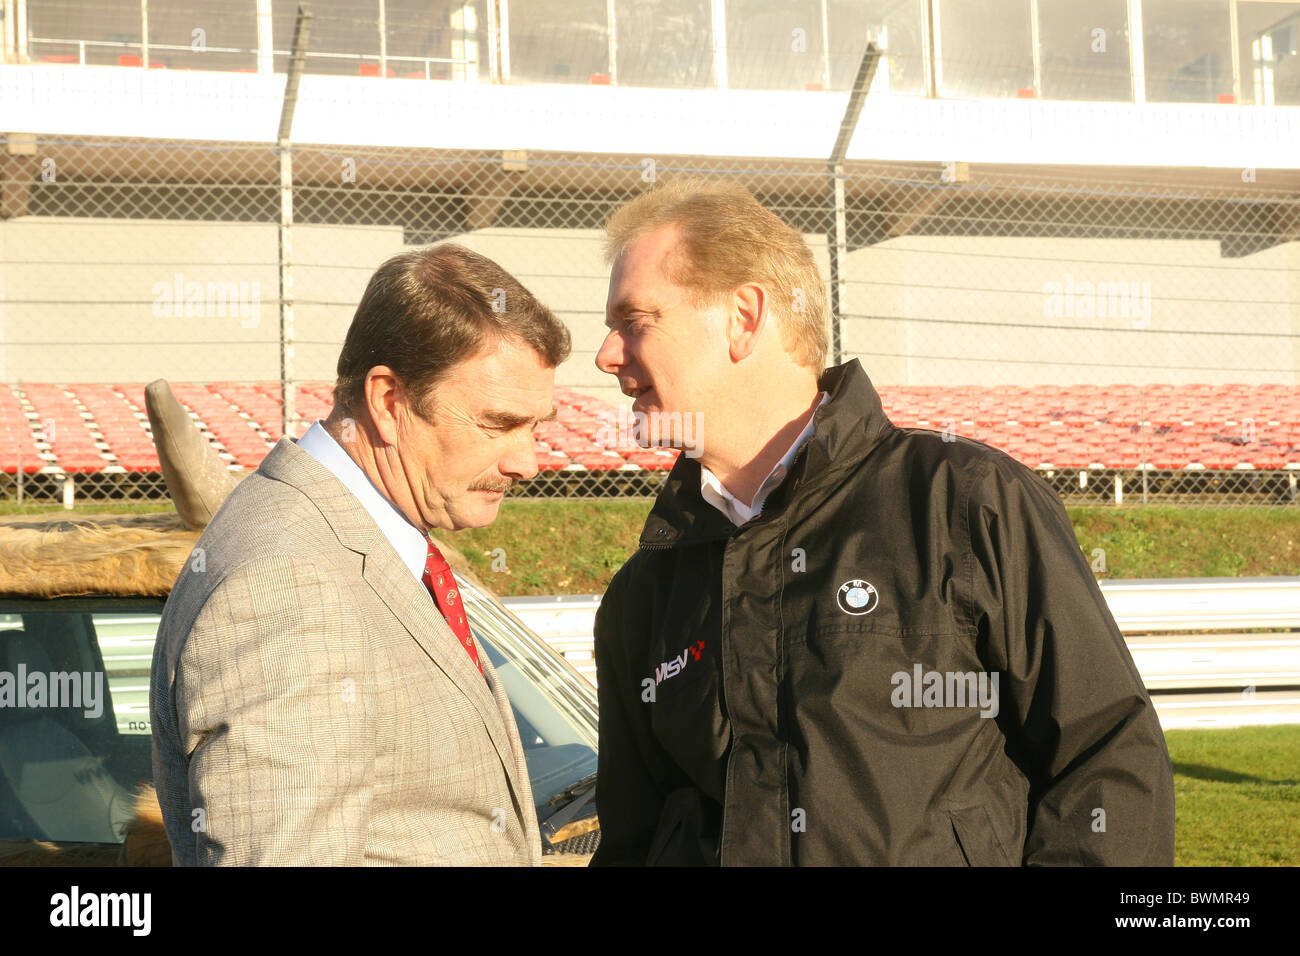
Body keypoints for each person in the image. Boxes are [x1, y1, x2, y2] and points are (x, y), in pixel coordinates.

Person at [588, 179, 1175, 866]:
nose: (607, 355)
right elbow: (632, 838)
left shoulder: (966, 502)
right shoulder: (645, 591)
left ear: (744, 318)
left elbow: (1105, 761)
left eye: (635, 321)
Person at [150, 243, 571, 865]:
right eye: (498, 422)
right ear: (388, 401)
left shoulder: (363, 543)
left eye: (537, 426)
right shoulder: (288, 585)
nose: (528, 463)